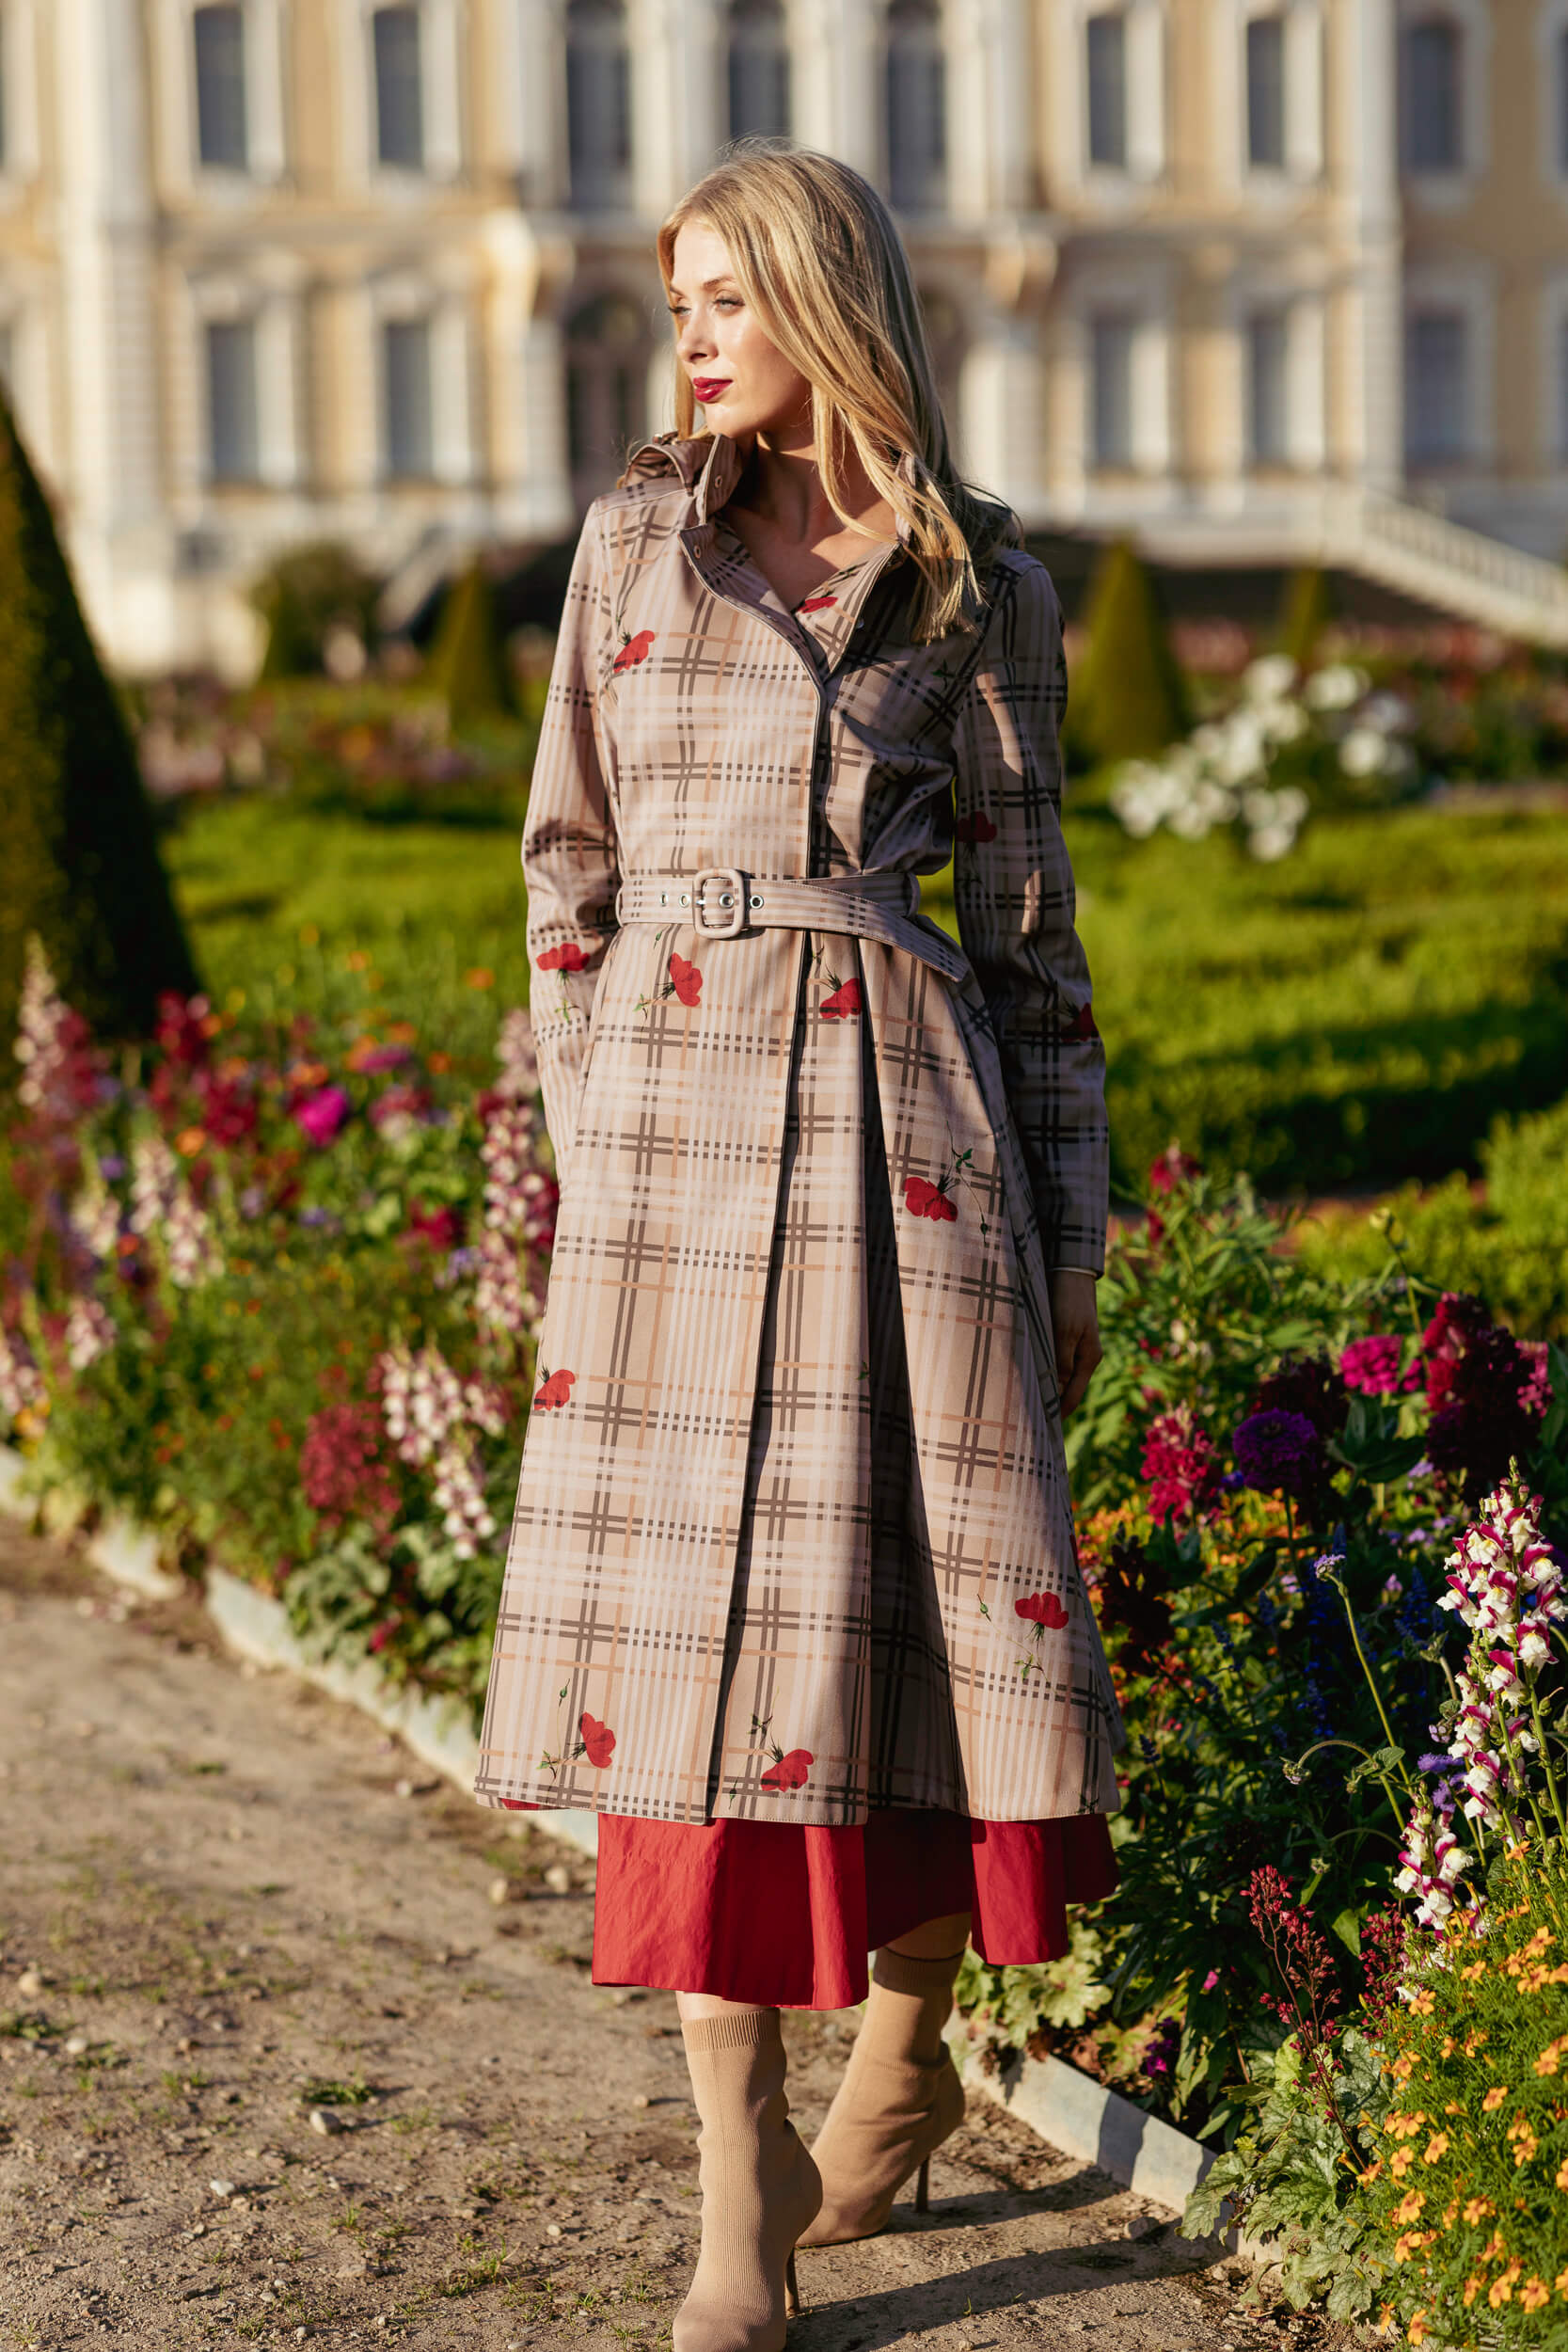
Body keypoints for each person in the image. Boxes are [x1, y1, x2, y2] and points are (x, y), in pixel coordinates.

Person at [475, 142, 1123, 2352]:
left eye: (733, 294)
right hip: (670, 1163)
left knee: (925, 1648)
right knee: (688, 1696)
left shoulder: (982, 592)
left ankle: (908, 2041)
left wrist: (1069, 1235)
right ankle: (731, 2207)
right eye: (681, 302)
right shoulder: (628, 553)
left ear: (832, 299)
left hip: (905, 1148)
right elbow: (564, 867)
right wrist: (603, 1120)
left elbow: (1037, 958)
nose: (700, 334)